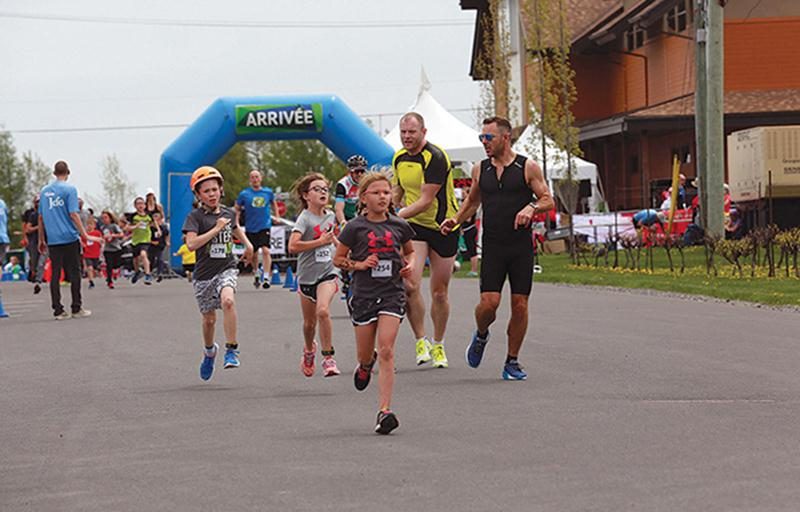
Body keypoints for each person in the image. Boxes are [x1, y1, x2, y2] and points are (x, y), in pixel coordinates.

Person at [441, 116, 554, 381]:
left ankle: (512, 361)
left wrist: (531, 207)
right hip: (492, 245)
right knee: (488, 305)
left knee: (520, 305)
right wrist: (455, 220)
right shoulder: (480, 169)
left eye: (488, 138)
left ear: (506, 137)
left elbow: (547, 198)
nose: (483, 142)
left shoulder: (527, 167)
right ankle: (481, 334)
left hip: (520, 247)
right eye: (481, 138)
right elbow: (472, 201)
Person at [334, 171, 415, 435]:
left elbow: (411, 252)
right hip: (363, 295)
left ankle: (384, 410)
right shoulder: (354, 227)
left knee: (387, 349)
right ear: (364, 197)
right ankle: (366, 366)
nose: (382, 197)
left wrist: (410, 265)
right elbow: (338, 260)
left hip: (392, 292)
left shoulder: (399, 225)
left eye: (386, 192)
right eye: (376, 193)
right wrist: (359, 264)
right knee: (366, 354)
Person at [391, 112, 461, 369]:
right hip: (416, 227)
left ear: (424, 132)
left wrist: (395, 215)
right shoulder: (398, 157)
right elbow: (399, 189)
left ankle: (439, 343)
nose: (407, 137)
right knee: (409, 284)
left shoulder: (436, 157)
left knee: (439, 292)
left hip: (443, 226)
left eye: (412, 132)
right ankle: (421, 340)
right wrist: (391, 203)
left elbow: (425, 200)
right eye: (403, 132)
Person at [183, 166, 253, 381]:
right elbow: (192, 244)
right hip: (204, 275)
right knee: (209, 320)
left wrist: (248, 246)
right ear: (198, 195)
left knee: (228, 301)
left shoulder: (228, 213)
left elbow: (235, 229)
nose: (212, 194)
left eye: (215, 189)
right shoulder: (194, 217)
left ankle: (231, 349)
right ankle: (209, 351)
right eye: (206, 191)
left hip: (226, 267)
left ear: (221, 190)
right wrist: (215, 229)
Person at [288, 173, 341, 378]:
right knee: (309, 324)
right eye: (317, 189)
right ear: (306, 195)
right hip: (307, 275)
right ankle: (309, 349)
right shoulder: (304, 219)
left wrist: (342, 249)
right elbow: (292, 246)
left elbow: (334, 238)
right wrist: (320, 242)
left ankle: (328, 358)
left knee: (323, 311)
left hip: (329, 272)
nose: (322, 193)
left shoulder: (331, 216)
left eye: (325, 189)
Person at [37, 160, 94, 320]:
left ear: (54, 173)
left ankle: (58, 309)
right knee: (74, 272)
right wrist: (84, 234)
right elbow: (73, 214)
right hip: (69, 236)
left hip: (53, 238)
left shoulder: (45, 192)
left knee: (55, 273)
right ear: (68, 173)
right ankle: (76, 307)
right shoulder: (70, 189)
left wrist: (41, 239)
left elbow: (41, 218)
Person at [235, 169, 279, 289]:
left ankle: (265, 276)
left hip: (264, 225)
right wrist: (236, 222)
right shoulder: (244, 194)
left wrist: (277, 216)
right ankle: (256, 271)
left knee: (266, 250)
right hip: (251, 227)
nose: (255, 179)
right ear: (250, 180)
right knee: (253, 253)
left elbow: (274, 203)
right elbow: (237, 208)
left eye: (257, 177)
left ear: (261, 178)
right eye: (252, 177)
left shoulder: (267, 192)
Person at [335, 155, 368, 298]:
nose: (359, 175)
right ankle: (345, 276)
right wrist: (343, 223)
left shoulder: (367, 183)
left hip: (361, 217)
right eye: (356, 172)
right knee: (346, 249)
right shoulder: (343, 184)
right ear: (350, 172)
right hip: (347, 218)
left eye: (362, 171)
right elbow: (338, 208)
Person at [127, 196, 154, 285]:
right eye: (138, 204)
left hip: (145, 239)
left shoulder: (149, 215)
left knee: (143, 254)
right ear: (135, 206)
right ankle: (137, 271)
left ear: (145, 205)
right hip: (135, 240)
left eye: (142, 203)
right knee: (135, 259)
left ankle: (147, 274)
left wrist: (159, 230)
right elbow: (126, 228)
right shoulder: (133, 216)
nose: (140, 205)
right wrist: (135, 226)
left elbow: (153, 223)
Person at [22, 195, 47, 294]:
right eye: (37, 202)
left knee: (42, 262)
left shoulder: (48, 214)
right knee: (34, 262)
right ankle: (33, 275)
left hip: (46, 241)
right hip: (34, 241)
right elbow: (28, 229)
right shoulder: (33, 215)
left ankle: (38, 281)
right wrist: (39, 226)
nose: (39, 203)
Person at [100, 210, 124, 289]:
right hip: (107, 249)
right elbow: (101, 236)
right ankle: (110, 281)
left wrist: (113, 235)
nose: (104, 220)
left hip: (116, 248)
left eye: (106, 217)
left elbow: (121, 234)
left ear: (110, 218)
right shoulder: (102, 227)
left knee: (116, 265)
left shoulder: (114, 226)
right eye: (103, 218)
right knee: (109, 265)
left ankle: (115, 272)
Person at [82, 216, 103, 289]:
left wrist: (101, 245)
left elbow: (101, 240)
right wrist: (83, 245)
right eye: (88, 225)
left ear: (94, 226)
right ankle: (91, 282)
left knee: (97, 268)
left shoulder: (97, 233)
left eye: (91, 224)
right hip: (88, 254)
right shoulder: (85, 234)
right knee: (90, 268)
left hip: (96, 254)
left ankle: (102, 279)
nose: (89, 226)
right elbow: (82, 241)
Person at [148, 211, 169, 282]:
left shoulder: (163, 227)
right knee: (151, 259)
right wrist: (152, 242)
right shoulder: (150, 228)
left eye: (158, 217)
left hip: (160, 246)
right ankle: (149, 272)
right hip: (151, 246)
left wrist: (167, 241)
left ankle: (159, 273)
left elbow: (166, 234)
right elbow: (146, 237)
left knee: (160, 259)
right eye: (155, 217)